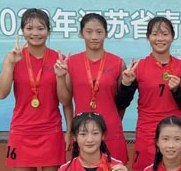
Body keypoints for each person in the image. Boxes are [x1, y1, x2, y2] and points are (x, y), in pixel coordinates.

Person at [0, 8, 71, 171]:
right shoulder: (15, 58)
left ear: (48, 31)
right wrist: (9, 65)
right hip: (22, 131)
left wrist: (61, 76)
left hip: (50, 130)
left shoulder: (57, 59)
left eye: (40, 28)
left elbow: (65, 100)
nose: (35, 33)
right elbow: (1, 93)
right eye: (29, 28)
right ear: (22, 31)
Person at [115, 16, 181, 171]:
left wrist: (177, 90)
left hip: (174, 133)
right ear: (148, 37)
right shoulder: (138, 67)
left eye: (165, 34)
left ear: (172, 37)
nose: (160, 39)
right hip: (147, 133)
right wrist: (125, 84)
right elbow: (121, 103)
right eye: (155, 34)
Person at [54, 13, 129, 163]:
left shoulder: (118, 63)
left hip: (111, 130)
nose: (94, 36)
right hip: (82, 132)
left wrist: (115, 121)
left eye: (99, 32)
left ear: (106, 33)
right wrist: (60, 77)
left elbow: (122, 102)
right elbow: (65, 100)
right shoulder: (71, 63)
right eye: (89, 32)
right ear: (81, 34)